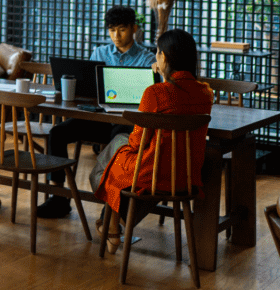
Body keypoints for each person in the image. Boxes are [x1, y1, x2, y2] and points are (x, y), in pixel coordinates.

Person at [90, 29, 213, 253]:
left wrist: (163, 78)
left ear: (163, 57)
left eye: (157, 53)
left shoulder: (155, 93)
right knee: (119, 145)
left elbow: (137, 142)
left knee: (115, 153)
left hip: (154, 174)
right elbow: (179, 99)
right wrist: (166, 76)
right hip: (186, 175)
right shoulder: (206, 93)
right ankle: (113, 224)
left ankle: (111, 224)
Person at [37, 5, 156, 218]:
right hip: (98, 120)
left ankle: (111, 207)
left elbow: (148, 99)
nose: (116, 36)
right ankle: (58, 197)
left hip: (126, 123)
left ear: (134, 28)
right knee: (57, 133)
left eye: (122, 29)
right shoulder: (99, 53)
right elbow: (90, 90)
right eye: (112, 30)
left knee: (118, 141)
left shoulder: (147, 60)